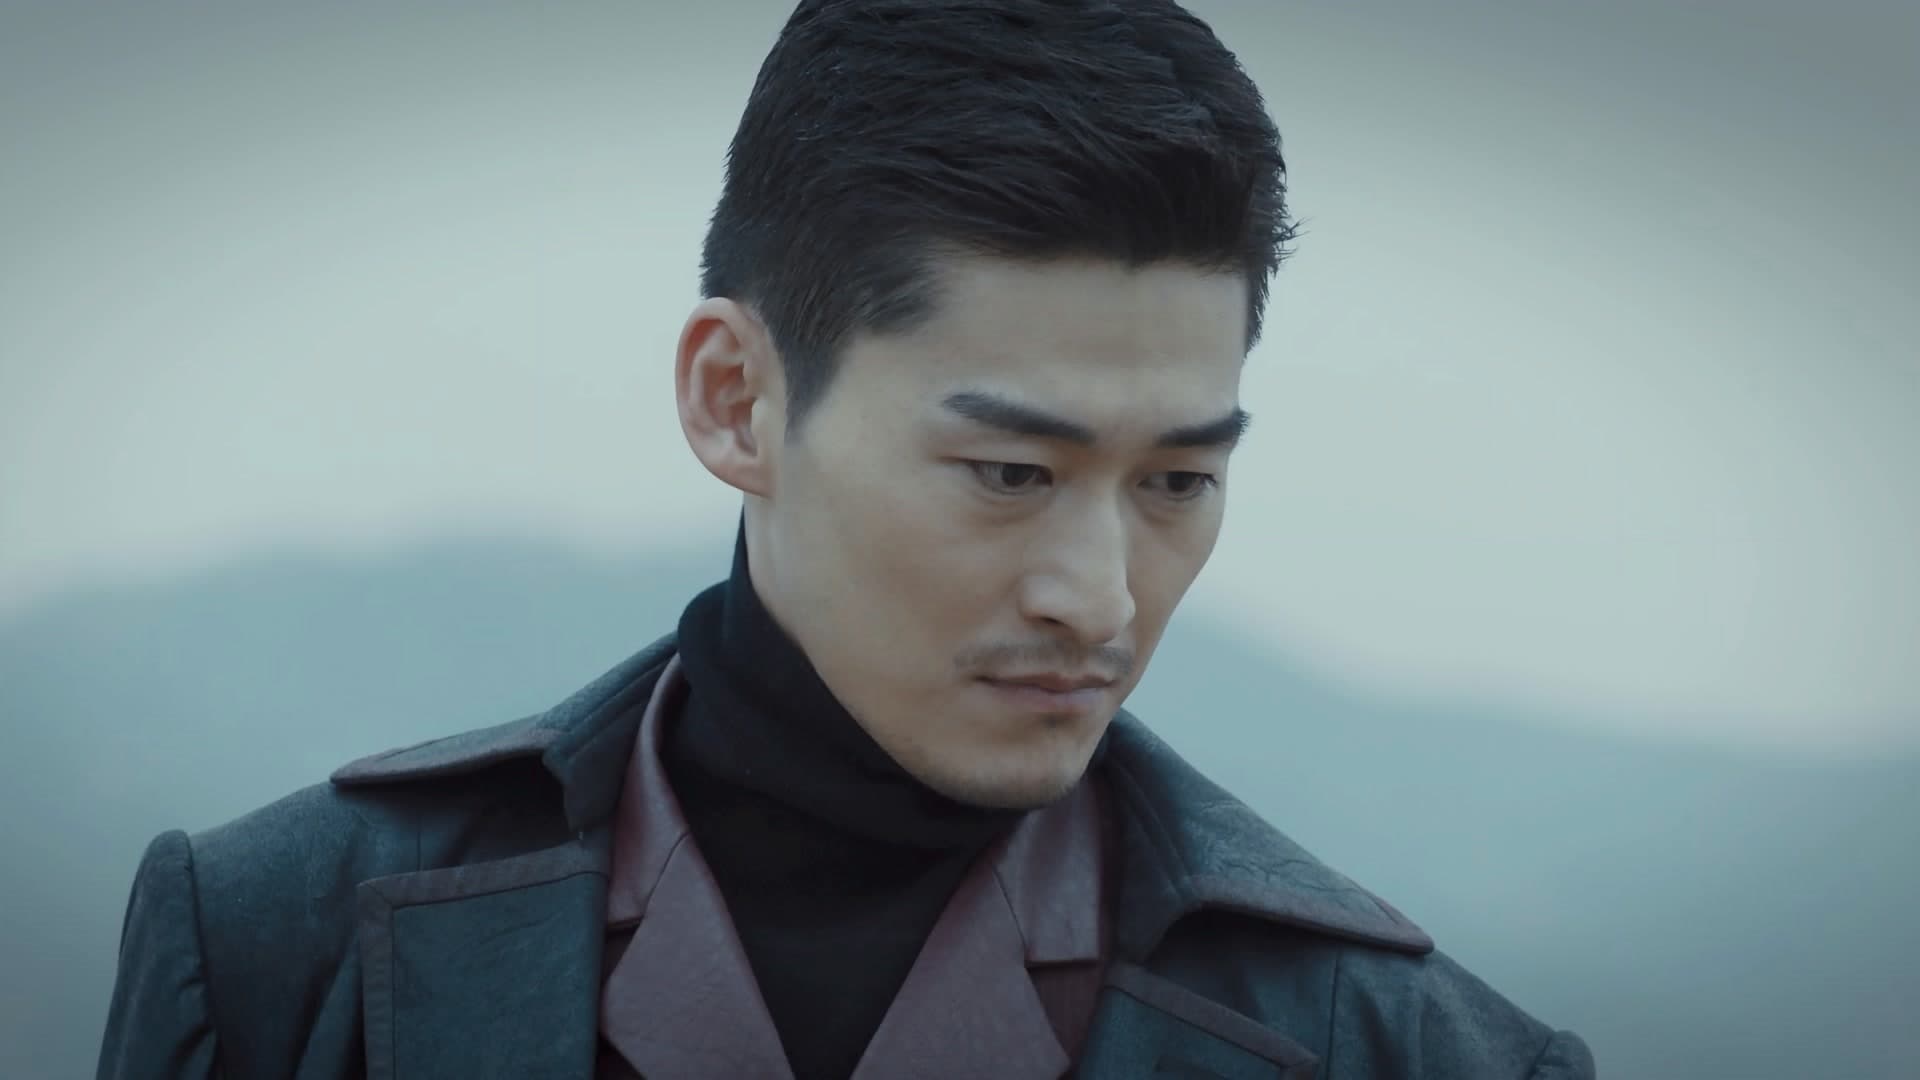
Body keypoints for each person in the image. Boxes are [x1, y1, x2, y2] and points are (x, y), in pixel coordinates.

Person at [96, 1, 1595, 1077]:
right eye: (1010, 472)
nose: (1098, 601)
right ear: (736, 400)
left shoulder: (1413, 1050)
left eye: (1177, 484)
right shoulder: (274, 946)